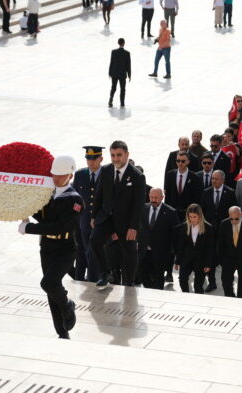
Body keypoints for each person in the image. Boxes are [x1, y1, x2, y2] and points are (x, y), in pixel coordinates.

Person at [18, 155, 81, 339]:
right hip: (47, 247)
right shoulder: (47, 195)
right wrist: (24, 209)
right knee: (51, 291)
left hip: (65, 248)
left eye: (61, 175)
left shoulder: (75, 200)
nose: (56, 178)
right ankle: (62, 332)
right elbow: (43, 217)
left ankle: (68, 304)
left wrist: (29, 228)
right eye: (54, 174)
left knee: (48, 283)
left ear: (70, 174)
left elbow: (60, 226)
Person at [91, 141, 146, 288]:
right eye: (113, 155)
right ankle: (105, 273)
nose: (116, 159)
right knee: (95, 240)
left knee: (129, 252)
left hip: (126, 222)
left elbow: (138, 204)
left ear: (127, 155)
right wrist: (93, 216)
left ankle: (129, 281)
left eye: (119, 155)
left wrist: (133, 227)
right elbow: (99, 194)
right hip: (107, 217)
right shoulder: (106, 170)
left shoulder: (137, 176)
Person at [200, 170, 237, 292]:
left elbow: (233, 212)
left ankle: (228, 283)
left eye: (216, 179)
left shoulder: (230, 193)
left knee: (224, 257)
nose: (213, 181)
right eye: (212, 178)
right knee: (210, 257)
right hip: (209, 230)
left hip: (224, 231)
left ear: (222, 180)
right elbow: (202, 211)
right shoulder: (206, 192)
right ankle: (212, 282)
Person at [72, 146, 105, 283]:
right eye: (88, 158)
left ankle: (95, 278)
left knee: (94, 252)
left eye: (94, 159)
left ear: (101, 159)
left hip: (100, 222)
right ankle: (81, 278)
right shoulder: (80, 174)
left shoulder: (107, 174)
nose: (90, 162)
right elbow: (74, 197)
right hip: (83, 222)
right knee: (83, 252)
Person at [138, 188, 179, 289]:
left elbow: (176, 234)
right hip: (144, 251)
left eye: (156, 198)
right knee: (142, 274)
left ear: (162, 197)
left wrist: (174, 253)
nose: (153, 200)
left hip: (161, 253)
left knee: (158, 279)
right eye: (151, 197)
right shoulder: (143, 209)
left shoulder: (170, 212)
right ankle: (151, 290)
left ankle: (156, 297)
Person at [173, 204, 214, 294]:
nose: (192, 219)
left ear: (200, 216)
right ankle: (186, 296)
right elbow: (181, 246)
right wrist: (177, 261)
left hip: (201, 261)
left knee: (198, 286)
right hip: (186, 259)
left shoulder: (208, 228)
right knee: (182, 279)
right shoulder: (185, 226)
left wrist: (208, 264)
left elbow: (210, 248)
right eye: (190, 216)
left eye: (194, 217)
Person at [218, 206, 242, 297]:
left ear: (241, 214)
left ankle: (240, 301)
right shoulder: (224, 223)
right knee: (226, 283)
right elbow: (220, 244)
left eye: (236, 219)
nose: (234, 221)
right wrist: (221, 261)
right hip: (228, 259)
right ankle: (230, 298)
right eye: (231, 219)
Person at [164, 150, 203, 220]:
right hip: (173, 214)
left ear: (188, 161)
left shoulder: (195, 178)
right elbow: (168, 197)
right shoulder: (170, 175)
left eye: (183, 161)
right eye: (178, 161)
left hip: (189, 215)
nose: (180, 163)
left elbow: (197, 198)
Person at [108, 38, 131, 108]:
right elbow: (128, 65)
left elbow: (111, 62)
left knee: (113, 87)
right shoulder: (127, 53)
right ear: (124, 43)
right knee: (122, 89)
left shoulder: (113, 52)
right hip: (122, 74)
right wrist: (129, 74)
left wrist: (109, 72)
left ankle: (110, 99)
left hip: (114, 73)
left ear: (118, 43)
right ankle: (122, 103)